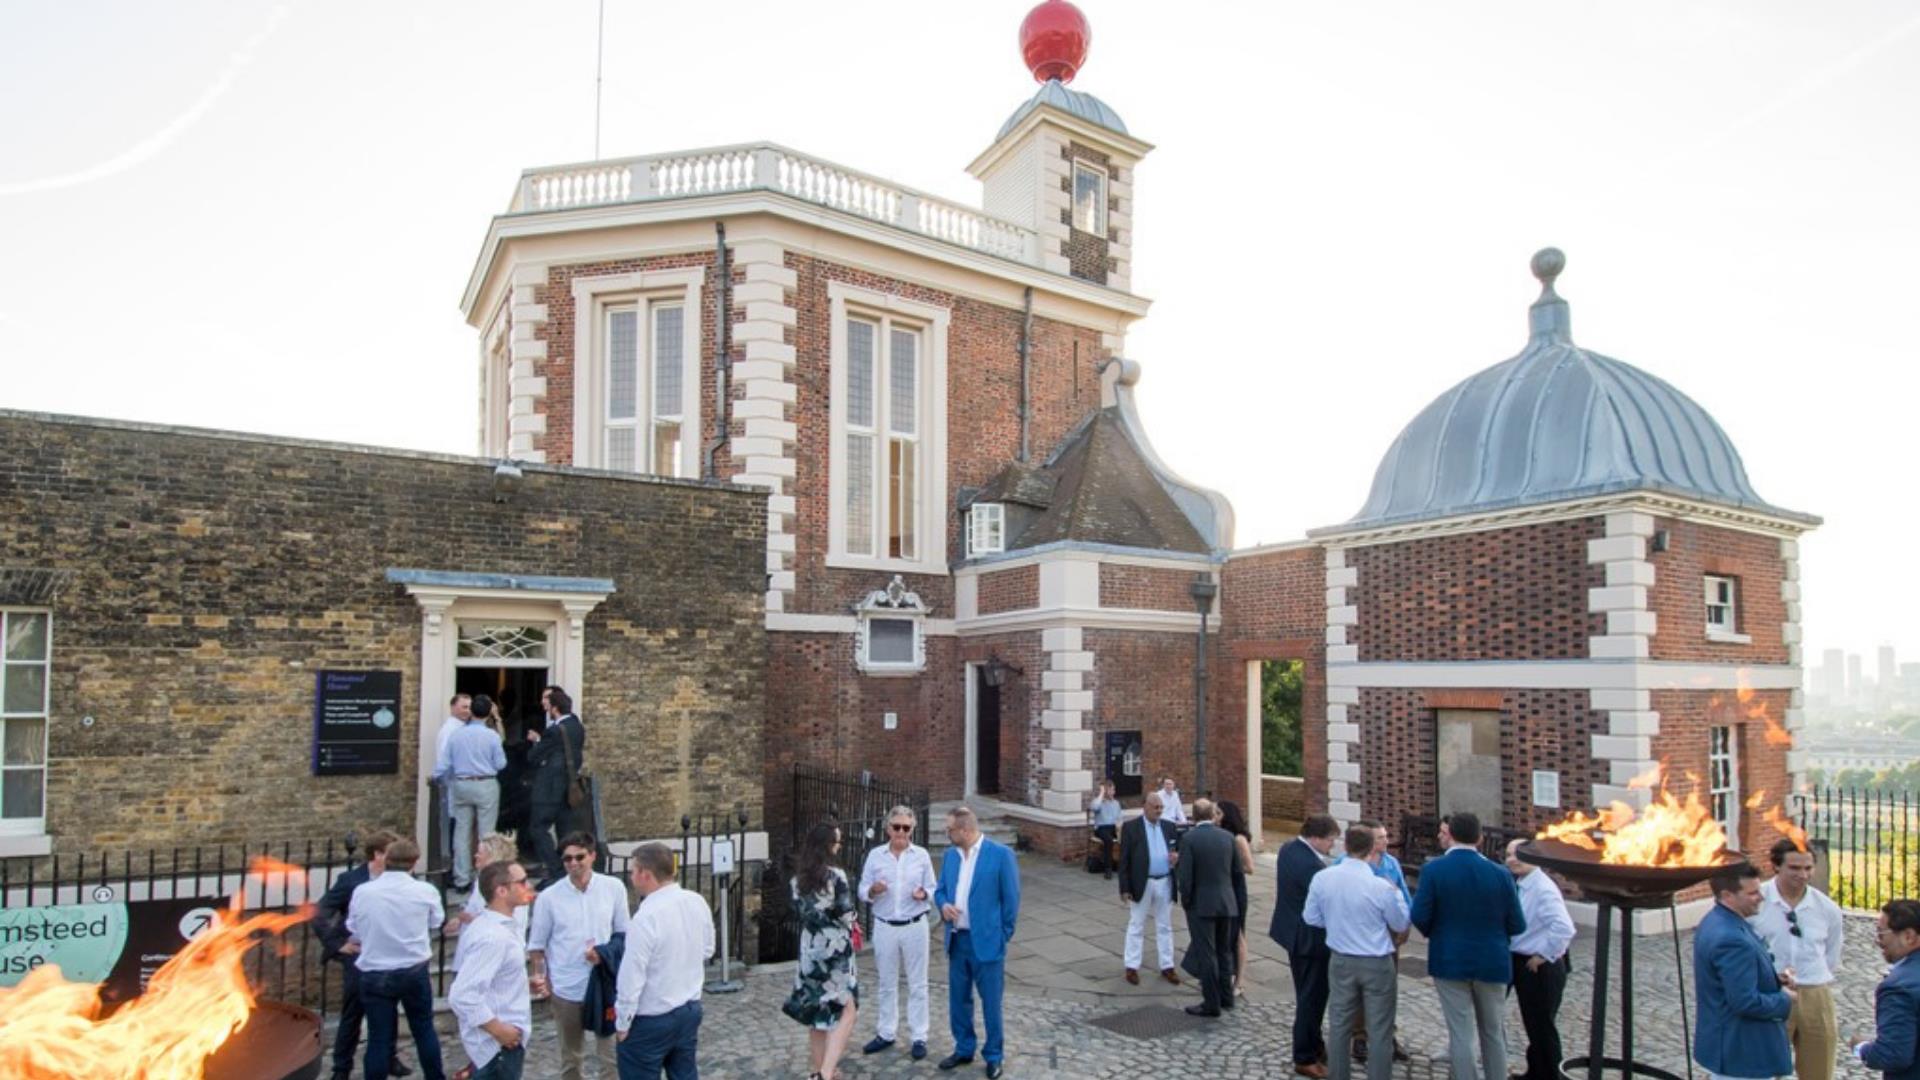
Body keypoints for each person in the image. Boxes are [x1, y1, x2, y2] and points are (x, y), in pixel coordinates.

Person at [1410, 813, 1526, 1080]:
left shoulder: (1434, 870)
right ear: (1480, 838)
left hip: (1450, 959)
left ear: (1450, 834)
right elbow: (1517, 924)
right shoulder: (1500, 874)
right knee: (1493, 1030)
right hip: (1492, 959)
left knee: (1460, 1032)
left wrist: (1436, 933)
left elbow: (1419, 914)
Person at [1306, 825, 1410, 1080]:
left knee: (1340, 1024)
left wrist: (1337, 923)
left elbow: (1311, 917)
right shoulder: (1380, 886)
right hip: (1376, 961)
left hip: (1341, 958)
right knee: (1380, 1028)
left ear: (1345, 846)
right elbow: (1400, 923)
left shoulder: (1323, 878)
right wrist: (1395, 894)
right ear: (1371, 850)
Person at [529, 832, 629, 1080]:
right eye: (567, 859)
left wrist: (604, 955)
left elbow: (624, 934)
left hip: (604, 982)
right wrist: (541, 978)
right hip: (567, 986)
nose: (573, 863)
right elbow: (537, 946)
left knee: (611, 1056)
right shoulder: (550, 898)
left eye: (579, 857)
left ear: (592, 856)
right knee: (571, 1057)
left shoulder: (613, 888)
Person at [315, 830, 414, 1080]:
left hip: (389, 955)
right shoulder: (351, 880)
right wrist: (337, 944)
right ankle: (341, 1068)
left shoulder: (401, 878)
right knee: (353, 1013)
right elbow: (320, 912)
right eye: (390, 854)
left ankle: (389, 1057)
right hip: (359, 956)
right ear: (377, 855)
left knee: (388, 1010)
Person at [345, 839, 447, 1080]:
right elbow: (436, 922)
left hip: (375, 971)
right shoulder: (425, 891)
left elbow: (353, 927)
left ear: (387, 860)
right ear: (414, 863)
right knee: (423, 1030)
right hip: (412, 970)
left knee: (379, 1037)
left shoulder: (364, 892)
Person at [615, 842, 716, 1080]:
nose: (630, 877)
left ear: (645, 874)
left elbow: (632, 974)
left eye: (633, 871)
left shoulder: (645, 918)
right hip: (688, 1009)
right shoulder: (696, 901)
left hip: (651, 1017)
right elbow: (708, 949)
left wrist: (623, 1021)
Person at [935, 805, 1019, 1079]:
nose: (946, 833)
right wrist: (944, 905)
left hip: (987, 943)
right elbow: (940, 891)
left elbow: (1011, 901)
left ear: (965, 830)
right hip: (957, 940)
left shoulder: (1001, 855)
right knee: (958, 1000)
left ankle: (994, 1055)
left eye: (949, 829)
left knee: (991, 1003)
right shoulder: (950, 856)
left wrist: (1002, 935)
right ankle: (963, 1048)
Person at [1751, 839, 1845, 1080]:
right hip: (1771, 993)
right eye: (1794, 868)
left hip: (1815, 994)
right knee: (1765, 1069)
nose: (1802, 875)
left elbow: (1831, 954)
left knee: (1819, 1070)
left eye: (1808, 868)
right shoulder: (1756, 902)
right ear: (1776, 866)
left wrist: (1815, 979)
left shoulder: (1827, 909)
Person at [1694, 862, 1794, 1080]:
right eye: (1752, 893)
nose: (1761, 897)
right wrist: (1784, 999)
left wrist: (1772, 979)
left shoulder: (1715, 921)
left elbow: (1728, 978)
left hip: (1729, 1048)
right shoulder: (1732, 939)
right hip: (1742, 1053)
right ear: (1728, 895)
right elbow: (1744, 1001)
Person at [858, 806, 937, 1060]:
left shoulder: (921, 856)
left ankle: (919, 1036)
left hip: (915, 924)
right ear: (887, 829)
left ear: (912, 829)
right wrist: (873, 890)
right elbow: (861, 889)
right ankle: (886, 1032)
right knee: (886, 983)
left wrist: (924, 894)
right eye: (897, 827)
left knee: (918, 983)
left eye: (906, 827)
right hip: (885, 925)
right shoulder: (875, 856)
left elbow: (933, 888)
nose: (901, 832)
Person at [447, 859, 536, 1080]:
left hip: (504, 1042)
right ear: (502, 891)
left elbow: (494, 977)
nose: (529, 887)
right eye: (522, 882)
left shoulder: (503, 927)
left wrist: (522, 983)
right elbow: (462, 995)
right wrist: (498, 1029)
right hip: (497, 1048)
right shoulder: (493, 937)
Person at [785, 823, 859, 1080]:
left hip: (809, 949)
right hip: (835, 950)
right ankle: (826, 1073)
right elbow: (845, 912)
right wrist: (855, 921)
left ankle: (818, 1070)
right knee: (847, 1009)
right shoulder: (836, 877)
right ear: (827, 846)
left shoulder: (797, 881)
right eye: (836, 842)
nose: (839, 846)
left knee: (817, 1013)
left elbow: (800, 913)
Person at [1272, 814, 1340, 1079]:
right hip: (1309, 940)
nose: (1331, 847)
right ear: (1316, 837)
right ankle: (1304, 1056)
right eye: (1330, 841)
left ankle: (1315, 1043)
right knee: (1311, 999)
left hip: (1292, 933)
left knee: (1307, 993)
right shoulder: (1312, 866)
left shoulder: (1289, 848)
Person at [1506, 838, 1575, 1080]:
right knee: (1533, 1024)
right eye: (1508, 855)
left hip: (1540, 967)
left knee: (1542, 1025)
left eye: (1517, 855)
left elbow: (1564, 927)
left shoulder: (1543, 888)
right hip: (1521, 959)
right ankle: (1536, 1072)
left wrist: (1542, 955)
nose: (1511, 860)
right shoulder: (1522, 883)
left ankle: (1551, 1075)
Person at [1174, 797, 1238, 1018]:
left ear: (1193, 816)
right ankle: (1227, 997)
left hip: (1202, 905)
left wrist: (1187, 901)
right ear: (1212, 815)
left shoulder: (1190, 839)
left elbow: (1186, 877)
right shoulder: (1228, 837)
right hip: (1226, 901)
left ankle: (1211, 1003)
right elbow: (1236, 872)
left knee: (1207, 954)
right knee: (1224, 951)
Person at [436, 694, 508, 890]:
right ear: (487, 714)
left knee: (461, 832)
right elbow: (501, 764)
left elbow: (444, 763)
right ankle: (484, 878)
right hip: (485, 783)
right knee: (487, 834)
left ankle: (461, 879)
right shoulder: (491, 736)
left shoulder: (457, 735)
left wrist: (437, 778)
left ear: (472, 712)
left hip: (461, 784)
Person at [1849, 898, 1920, 1080]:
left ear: (1909, 936)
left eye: (1881, 934)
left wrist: (1861, 1048)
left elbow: (1893, 1055)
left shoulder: (1898, 988)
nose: (1878, 942)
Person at [1117, 790, 1181, 986]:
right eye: (1156, 807)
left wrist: (1176, 858)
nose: (1159, 811)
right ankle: (1132, 966)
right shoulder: (1131, 828)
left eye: (1161, 807)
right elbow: (1124, 860)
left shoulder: (1170, 827)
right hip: (1142, 881)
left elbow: (1177, 851)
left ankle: (1167, 966)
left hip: (1165, 881)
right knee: (1136, 924)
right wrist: (1124, 888)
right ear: (1145, 806)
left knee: (1164, 925)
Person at [526, 686, 588, 884]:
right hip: (568, 788)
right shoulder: (577, 726)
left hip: (550, 788)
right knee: (564, 831)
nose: (547, 710)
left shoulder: (554, 731)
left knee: (538, 828)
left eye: (548, 706)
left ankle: (556, 870)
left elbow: (533, 757)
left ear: (555, 709)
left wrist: (537, 741)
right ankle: (566, 869)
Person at [449, 834, 531, 976]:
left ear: (493, 856)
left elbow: (512, 922)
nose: (476, 856)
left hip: (494, 959)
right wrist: (460, 919)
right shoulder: (480, 881)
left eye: (480, 853)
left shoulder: (513, 888)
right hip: (471, 953)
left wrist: (473, 918)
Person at [1217, 800, 1256, 998]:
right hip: (1224, 888)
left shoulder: (1238, 839)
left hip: (1236, 888)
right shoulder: (1221, 835)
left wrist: (1231, 865)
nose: (1215, 815)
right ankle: (1227, 973)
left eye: (1218, 812)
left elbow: (1250, 867)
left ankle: (1239, 981)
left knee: (1238, 935)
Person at [1089, 780, 1122, 880]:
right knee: (1108, 840)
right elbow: (1094, 807)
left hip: (1114, 827)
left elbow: (1120, 818)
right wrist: (1102, 793)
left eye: (1114, 790)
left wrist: (1119, 827)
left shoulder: (1116, 803)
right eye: (1111, 790)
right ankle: (1108, 868)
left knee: (1129, 836)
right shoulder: (1098, 802)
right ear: (1106, 791)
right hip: (1101, 828)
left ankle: (1123, 864)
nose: (1113, 792)